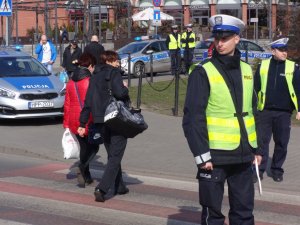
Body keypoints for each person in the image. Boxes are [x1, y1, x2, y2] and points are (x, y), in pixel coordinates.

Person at [182, 14, 262, 225]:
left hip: (243, 155)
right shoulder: (202, 72)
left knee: (244, 213)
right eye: (216, 38)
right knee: (213, 217)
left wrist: (258, 149)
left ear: (237, 38)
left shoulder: (247, 70)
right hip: (214, 158)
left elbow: (253, 112)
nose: (219, 43)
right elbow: (192, 118)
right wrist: (202, 156)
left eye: (225, 38)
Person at [78, 50, 130, 202]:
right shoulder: (114, 73)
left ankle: (119, 186)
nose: (118, 63)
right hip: (116, 119)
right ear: (110, 61)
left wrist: (82, 123)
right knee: (115, 155)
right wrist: (125, 87)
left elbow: (88, 101)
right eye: (116, 60)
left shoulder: (94, 76)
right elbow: (120, 94)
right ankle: (102, 188)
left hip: (100, 120)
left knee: (113, 153)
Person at [254, 38, 300, 183]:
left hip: (284, 112)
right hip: (264, 111)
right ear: (273, 51)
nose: (285, 53)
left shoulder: (293, 67)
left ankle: (277, 170)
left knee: (282, 143)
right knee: (261, 142)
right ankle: (259, 170)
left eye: (285, 50)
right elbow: (255, 89)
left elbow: (299, 90)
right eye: (281, 50)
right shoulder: (263, 66)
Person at [63, 53, 99, 188]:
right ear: (90, 66)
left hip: (73, 119)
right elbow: (95, 102)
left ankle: (87, 177)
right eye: (93, 66)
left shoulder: (71, 82)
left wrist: (66, 123)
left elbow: (66, 104)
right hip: (87, 119)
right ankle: (82, 167)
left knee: (84, 146)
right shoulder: (90, 81)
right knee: (94, 146)